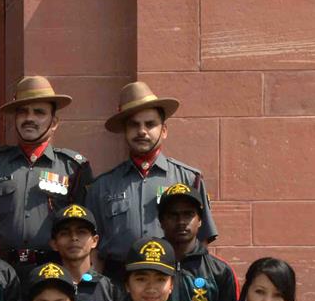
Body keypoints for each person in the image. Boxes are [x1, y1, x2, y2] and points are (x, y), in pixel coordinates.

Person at [85, 82, 217, 275]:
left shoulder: (189, 179)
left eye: (150, 124)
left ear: (164, 130)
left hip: (172, 280)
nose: (142, 131)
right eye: (134, 125)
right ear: (125, 131)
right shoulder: (102, 186)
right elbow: (93, 250)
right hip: (118, 282)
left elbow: (202, 242)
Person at [0, 76, 93, 270]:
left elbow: (87, 227)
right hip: (1, 269)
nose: (29, 118)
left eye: (39, 112)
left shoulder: (73, 168)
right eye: (23, 112)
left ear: (54, 122)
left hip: (54, 269)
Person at [159, 182, 238, 301]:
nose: (181, 221)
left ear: (200, 220)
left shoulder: (220, 271)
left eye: (188, 214)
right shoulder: (148, 268)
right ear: (161, 221)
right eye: (173, 215)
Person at [46, 204, 121, 301]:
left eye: (81, 232)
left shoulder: (111, 290)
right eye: (65, 233)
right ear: (54, 244)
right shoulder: (45, 287)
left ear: (95, 241)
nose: (74, 238)